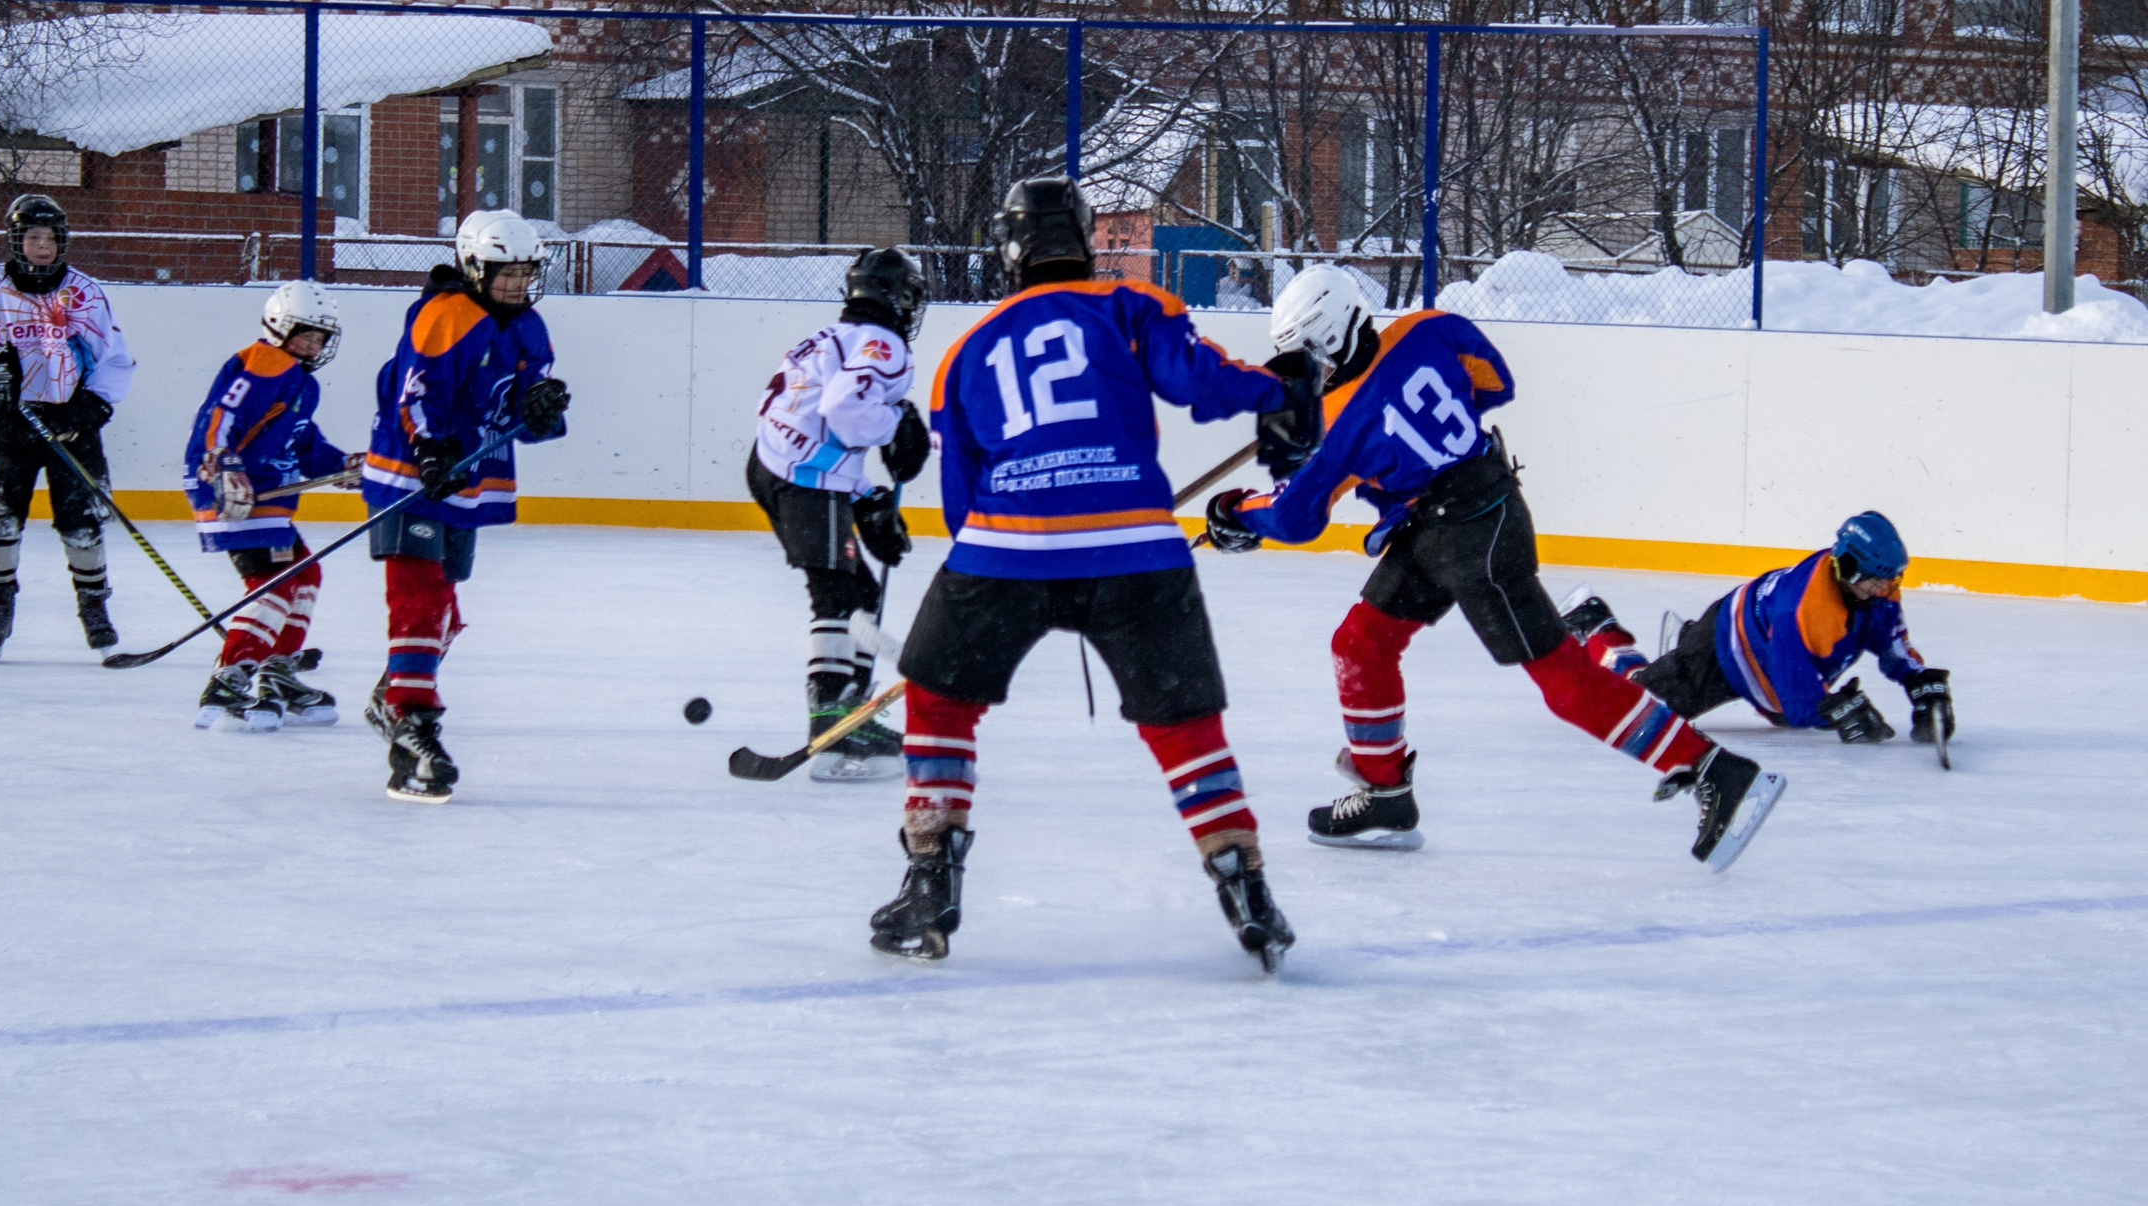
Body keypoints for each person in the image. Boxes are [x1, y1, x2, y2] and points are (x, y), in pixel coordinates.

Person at [869, 176, 1315, 972]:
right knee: (1184, 722)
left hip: (1005, 548)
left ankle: (931, 873)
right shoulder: (1133, 306)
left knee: (940, 697)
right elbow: (1201, 383)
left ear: (1009, 249)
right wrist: (1279, 390)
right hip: (1135, 547)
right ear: (1082, 237)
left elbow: (961, 501)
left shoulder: (965, 351)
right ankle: (1245, 886)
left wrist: (997, 563)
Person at [1205, 265, 1786, 872]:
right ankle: (1385, 795)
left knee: (1563, 681)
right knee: (1361, 644)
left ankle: (1711, 769)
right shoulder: (1427, 327)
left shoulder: (1341, 422)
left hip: (1472, 536)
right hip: (1458, 511)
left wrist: (1238, 512)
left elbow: (1298, 516)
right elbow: (1494, 380)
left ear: (1331, 338)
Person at [359, 209, 570, 803]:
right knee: (420, 599)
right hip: (413, 476)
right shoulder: (444, 315)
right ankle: (413, 720)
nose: (519, 283)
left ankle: (391, 696)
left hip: (467, 481)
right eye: (507, 272)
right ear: (475, 268)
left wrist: (543, 408)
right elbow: (414, 388)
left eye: (528, 271)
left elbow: (527, 407)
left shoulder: (529, 326)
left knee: (444, 615)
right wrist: (428, 449)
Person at [746, 246, 929, 782]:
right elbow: (845, 415)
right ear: (897, 298)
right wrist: (897, 424)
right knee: (836, 593)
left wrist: (864, 498)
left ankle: (853, 710)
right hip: (805, 479)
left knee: (861, 592)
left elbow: (810, 420)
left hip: (775, 467)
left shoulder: (827, 337)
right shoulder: (884, 343)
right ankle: (831, 714)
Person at [1560, 511, 1952, 749]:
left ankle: (1679, 648)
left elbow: (1892, 644)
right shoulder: (1803, 610)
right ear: (1848, 568)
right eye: (1878, 581)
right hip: (1723, 651)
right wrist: (1833, 711)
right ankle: (1595, 621)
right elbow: (1795, 705)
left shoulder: (1876, 593)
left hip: (1767, 653)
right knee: (1635, 702)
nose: (1887, 591)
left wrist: (1919, 681)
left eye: (1893, 581)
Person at [0, 194, 136, 661]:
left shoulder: (85, 292)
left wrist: (90, 407)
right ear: (17, 240)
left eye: (50, 238)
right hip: (10, 419)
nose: (42, 247)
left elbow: (114, 356)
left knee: (84, 522)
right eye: (33, 237)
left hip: (72, 422)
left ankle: (94, 609)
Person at [181, 280, 362, 730]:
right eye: (306, 333)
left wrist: (341, 464)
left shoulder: (300, 381)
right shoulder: (265, 361)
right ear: (280, 328)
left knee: (304, 574)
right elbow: (219, 416)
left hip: (263, 494)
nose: (314, 344)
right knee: (276, 583)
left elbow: (301, 441)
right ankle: (229, 679)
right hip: (231, 490)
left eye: (321, 337)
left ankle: (277, 671)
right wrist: (222, 462)